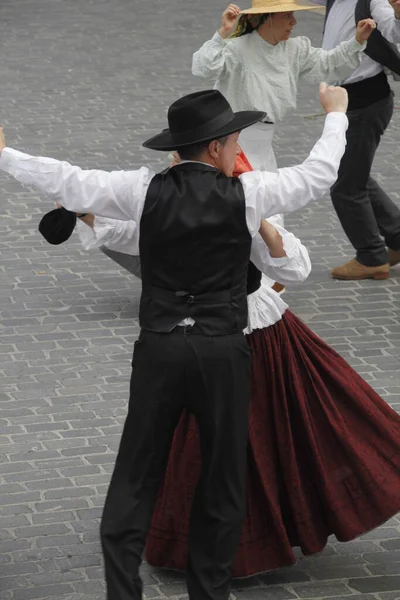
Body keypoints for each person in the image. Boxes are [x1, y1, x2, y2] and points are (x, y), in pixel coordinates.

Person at [0, 85, 349, 600]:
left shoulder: (142, 191)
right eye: (233, 141)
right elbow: (318, 175)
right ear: (214, 147)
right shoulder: (248, 195)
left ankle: (123, 592)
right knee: (222, 483)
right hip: (222, 351)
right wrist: (337, 116)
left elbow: (68, 179)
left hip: (160, 349)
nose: (237, 150)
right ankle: (208, 593)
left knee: (134, 479)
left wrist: (5, 155)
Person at [72, 205, 400, 578]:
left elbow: (293, 268)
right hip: (198, 335)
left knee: (279, 426)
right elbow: (129, 236)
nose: (177, 161)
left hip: (253, 330)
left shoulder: (243, 197)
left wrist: (258, 220)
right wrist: (83, 211)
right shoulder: (166, 197)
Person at [191, 0, 376, 280]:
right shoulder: (239, 48)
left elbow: (327, 65)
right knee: (242, 204)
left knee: (267, 205)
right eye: (287, 15)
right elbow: (203, 68)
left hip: (265, 141)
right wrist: (223, 33)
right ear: (268, 19)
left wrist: (358, 40)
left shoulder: (295, 49)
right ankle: (232, 272)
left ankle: (263, 272)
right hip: (236, 142)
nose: (294, 21)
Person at [323, 0, 400, 280]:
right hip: (347, 102)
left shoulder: (374, 0)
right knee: (356, 175)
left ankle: (371, 257)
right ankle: (397, 236)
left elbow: (394, 31)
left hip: (366, 104)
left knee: (345, 185)